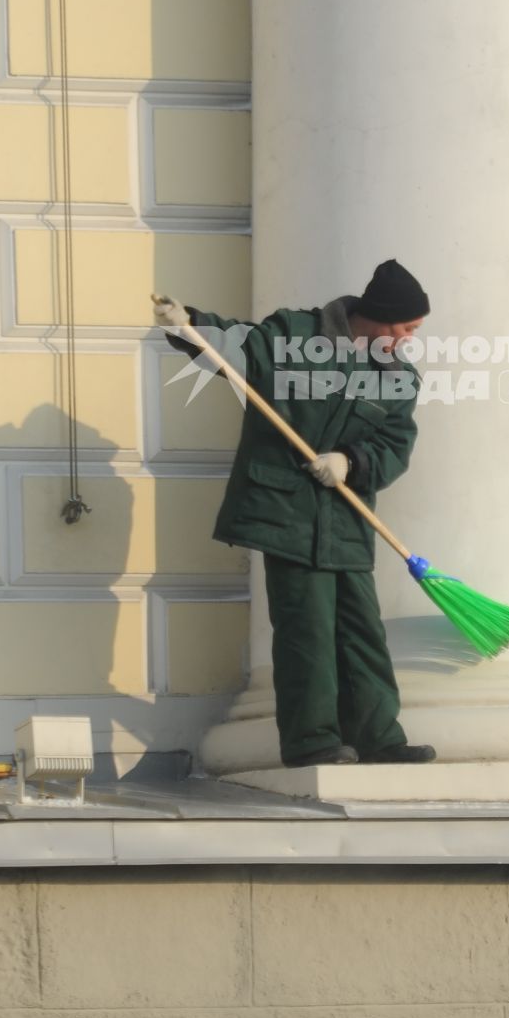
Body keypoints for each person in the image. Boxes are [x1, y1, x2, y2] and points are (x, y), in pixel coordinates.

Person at [153, 260, 437, 768]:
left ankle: (379, 739)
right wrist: (188, 324)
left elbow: (395, 444)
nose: (409, 341)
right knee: (307, 630)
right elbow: (238, 348)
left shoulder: (398, 377)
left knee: (362, 631)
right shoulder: (296, 336)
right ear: (384, 318)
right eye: (409, 328)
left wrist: (351, 461)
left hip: (346, 522)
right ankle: (313, 743)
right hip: (286, 513)